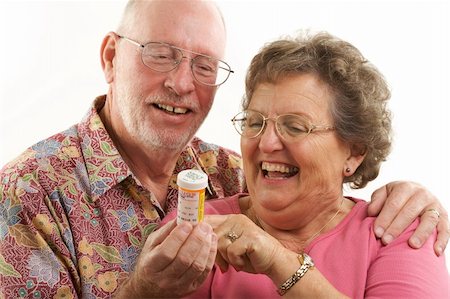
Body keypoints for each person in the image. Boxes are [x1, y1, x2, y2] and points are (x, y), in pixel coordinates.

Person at [0, 1, 447, 298]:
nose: (181, 83)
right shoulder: (28, 192)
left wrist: (414, 195)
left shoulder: (229, 171)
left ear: (355, 151)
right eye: (160, 54)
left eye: (204, 65)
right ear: (111, 57)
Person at [161, 31, 448, 298]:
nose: (266, 143)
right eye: (255, 122)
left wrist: (279, 262)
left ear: (354, 152)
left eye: (295, 127)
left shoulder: (398, 230)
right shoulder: (200, 226)